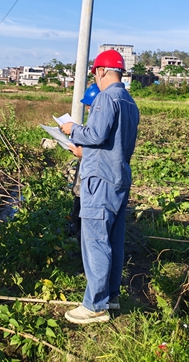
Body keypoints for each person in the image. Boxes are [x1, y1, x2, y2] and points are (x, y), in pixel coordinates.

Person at [59, 50, 139, 324]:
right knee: (113, 241)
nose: (96, 77)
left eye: (95, 72)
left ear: (101, 71)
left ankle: (94, 305)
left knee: (95, 241)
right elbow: (113, 143)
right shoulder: (129, 102)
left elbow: (95, 135)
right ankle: (111, 296)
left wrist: (72, 129)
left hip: (100, 181)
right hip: (118, 178)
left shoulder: (106, 98)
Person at [68, 83, 100, 240]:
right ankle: (77, 236)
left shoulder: (102, 121)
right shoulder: (95, 120)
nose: (87, 108)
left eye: (89, 105)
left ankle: (82, 245)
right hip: (84, 175)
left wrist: (83, 152)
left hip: (91, 179)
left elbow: (101, 151)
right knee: (77, 209)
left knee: (84, 213)